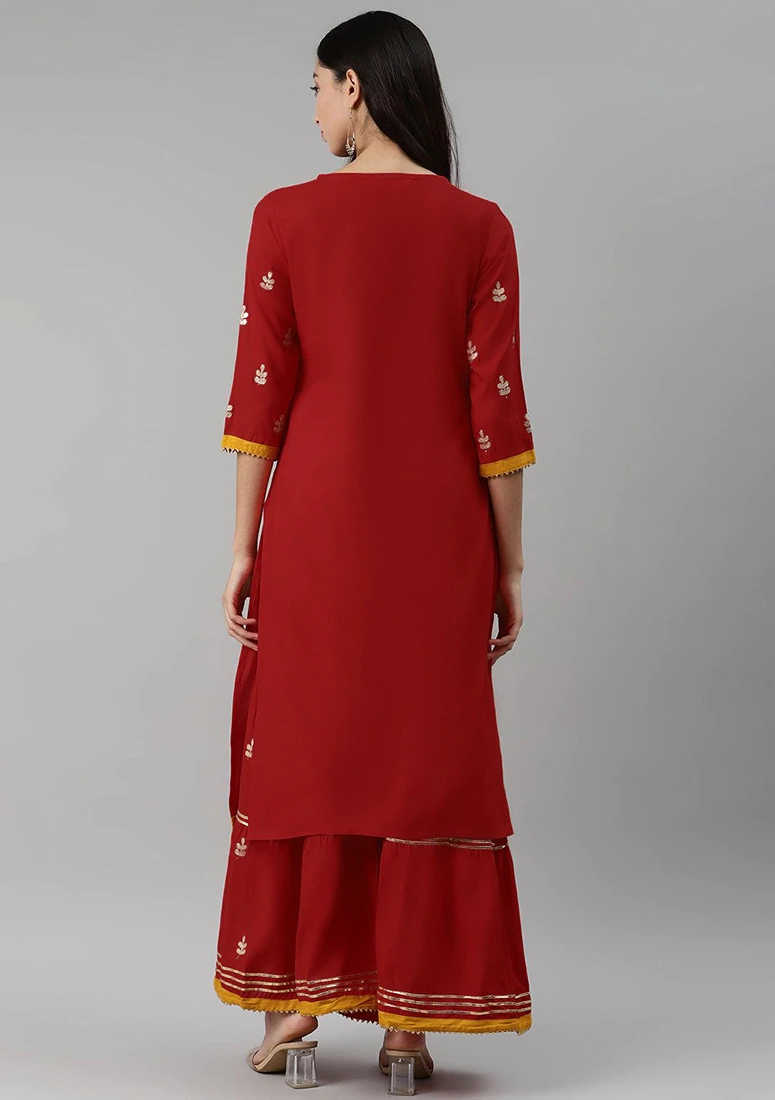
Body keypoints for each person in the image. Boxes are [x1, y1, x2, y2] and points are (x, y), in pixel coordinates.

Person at [213, 10, 536, 1084]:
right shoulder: (479, 226)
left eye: (316, 87)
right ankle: (407, 1025)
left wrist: (243, 545)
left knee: (307, 748)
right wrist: (509, 565)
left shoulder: (283, 218)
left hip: (315, 530)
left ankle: (295, 1009)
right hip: (439, 536)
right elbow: (496, 418)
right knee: (422, 760)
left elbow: (260, 398)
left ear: (355, 85)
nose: (312, 109)